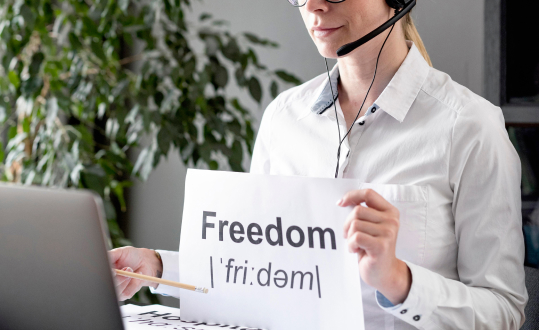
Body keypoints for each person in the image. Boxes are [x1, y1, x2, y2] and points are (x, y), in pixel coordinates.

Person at [110, 0, 529, 328]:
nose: (312, 6)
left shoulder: (470, 128)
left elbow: (503, 313)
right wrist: (158, 268)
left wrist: (399, 280)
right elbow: (256, 273)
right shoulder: (283, 119)